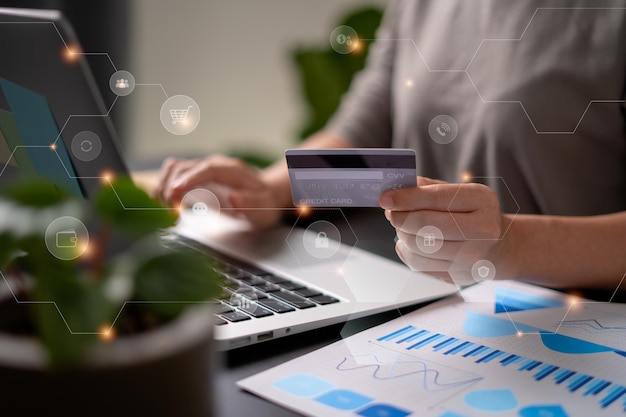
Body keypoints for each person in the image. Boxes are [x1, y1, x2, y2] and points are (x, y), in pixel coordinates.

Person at [158, 0, 626, 290]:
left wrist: (511, 246)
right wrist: (269, 189)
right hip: (429, 309)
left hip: (577, 329)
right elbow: (363, 132)